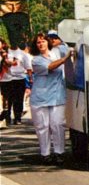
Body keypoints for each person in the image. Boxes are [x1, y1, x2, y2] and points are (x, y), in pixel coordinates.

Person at [29, 33, 72, 164]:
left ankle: (59, 152)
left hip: (57, 95)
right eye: (38, 42)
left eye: (43, 41)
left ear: (48, 42)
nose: (41, 44)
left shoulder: (57, 52)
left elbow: (69, 47)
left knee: (57, 124)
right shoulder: (36, 60)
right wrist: (65, 59)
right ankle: (45, 153)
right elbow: (51, 67)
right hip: (40, 97)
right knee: (43, 126)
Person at [0, 38, 32, 125]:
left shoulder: (23, 54)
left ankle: (17, 118)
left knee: (19, 99)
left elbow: (28, 68)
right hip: (8, 78)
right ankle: (7, 117)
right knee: (8, 99)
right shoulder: (6, 52)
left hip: (20, 78)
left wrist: (30, 81)